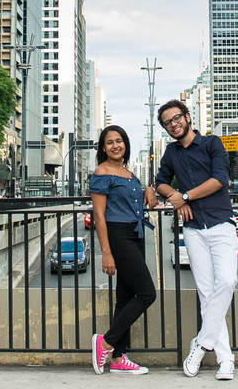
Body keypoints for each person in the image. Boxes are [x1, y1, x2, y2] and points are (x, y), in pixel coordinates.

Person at [152, 99, 238, 381]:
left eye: (176, 118)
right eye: (167, 122)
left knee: (226, 282)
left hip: (221, 223)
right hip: (192, 229)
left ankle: (201, 345)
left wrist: (184, 196)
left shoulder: (212, 143)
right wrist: (173, 197)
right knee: (206, 290)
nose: (173, 124)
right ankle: (226, 359)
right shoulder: (170, 152)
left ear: (187, 117)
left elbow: (219, 180)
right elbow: (160, 182)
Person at [90, 125, 157, 375]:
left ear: (125, 144)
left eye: (119, 141)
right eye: (110, 142)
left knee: (126, 298)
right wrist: (106, 253)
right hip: (119, 235)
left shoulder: (128, 173)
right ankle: (105, 342)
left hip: (136, 233)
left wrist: (147, 190)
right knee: (147, 293)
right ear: (103, 148)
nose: (115, 145)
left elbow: (133, 200)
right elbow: (99, 215)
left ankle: (118, 358)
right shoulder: (102, 172)